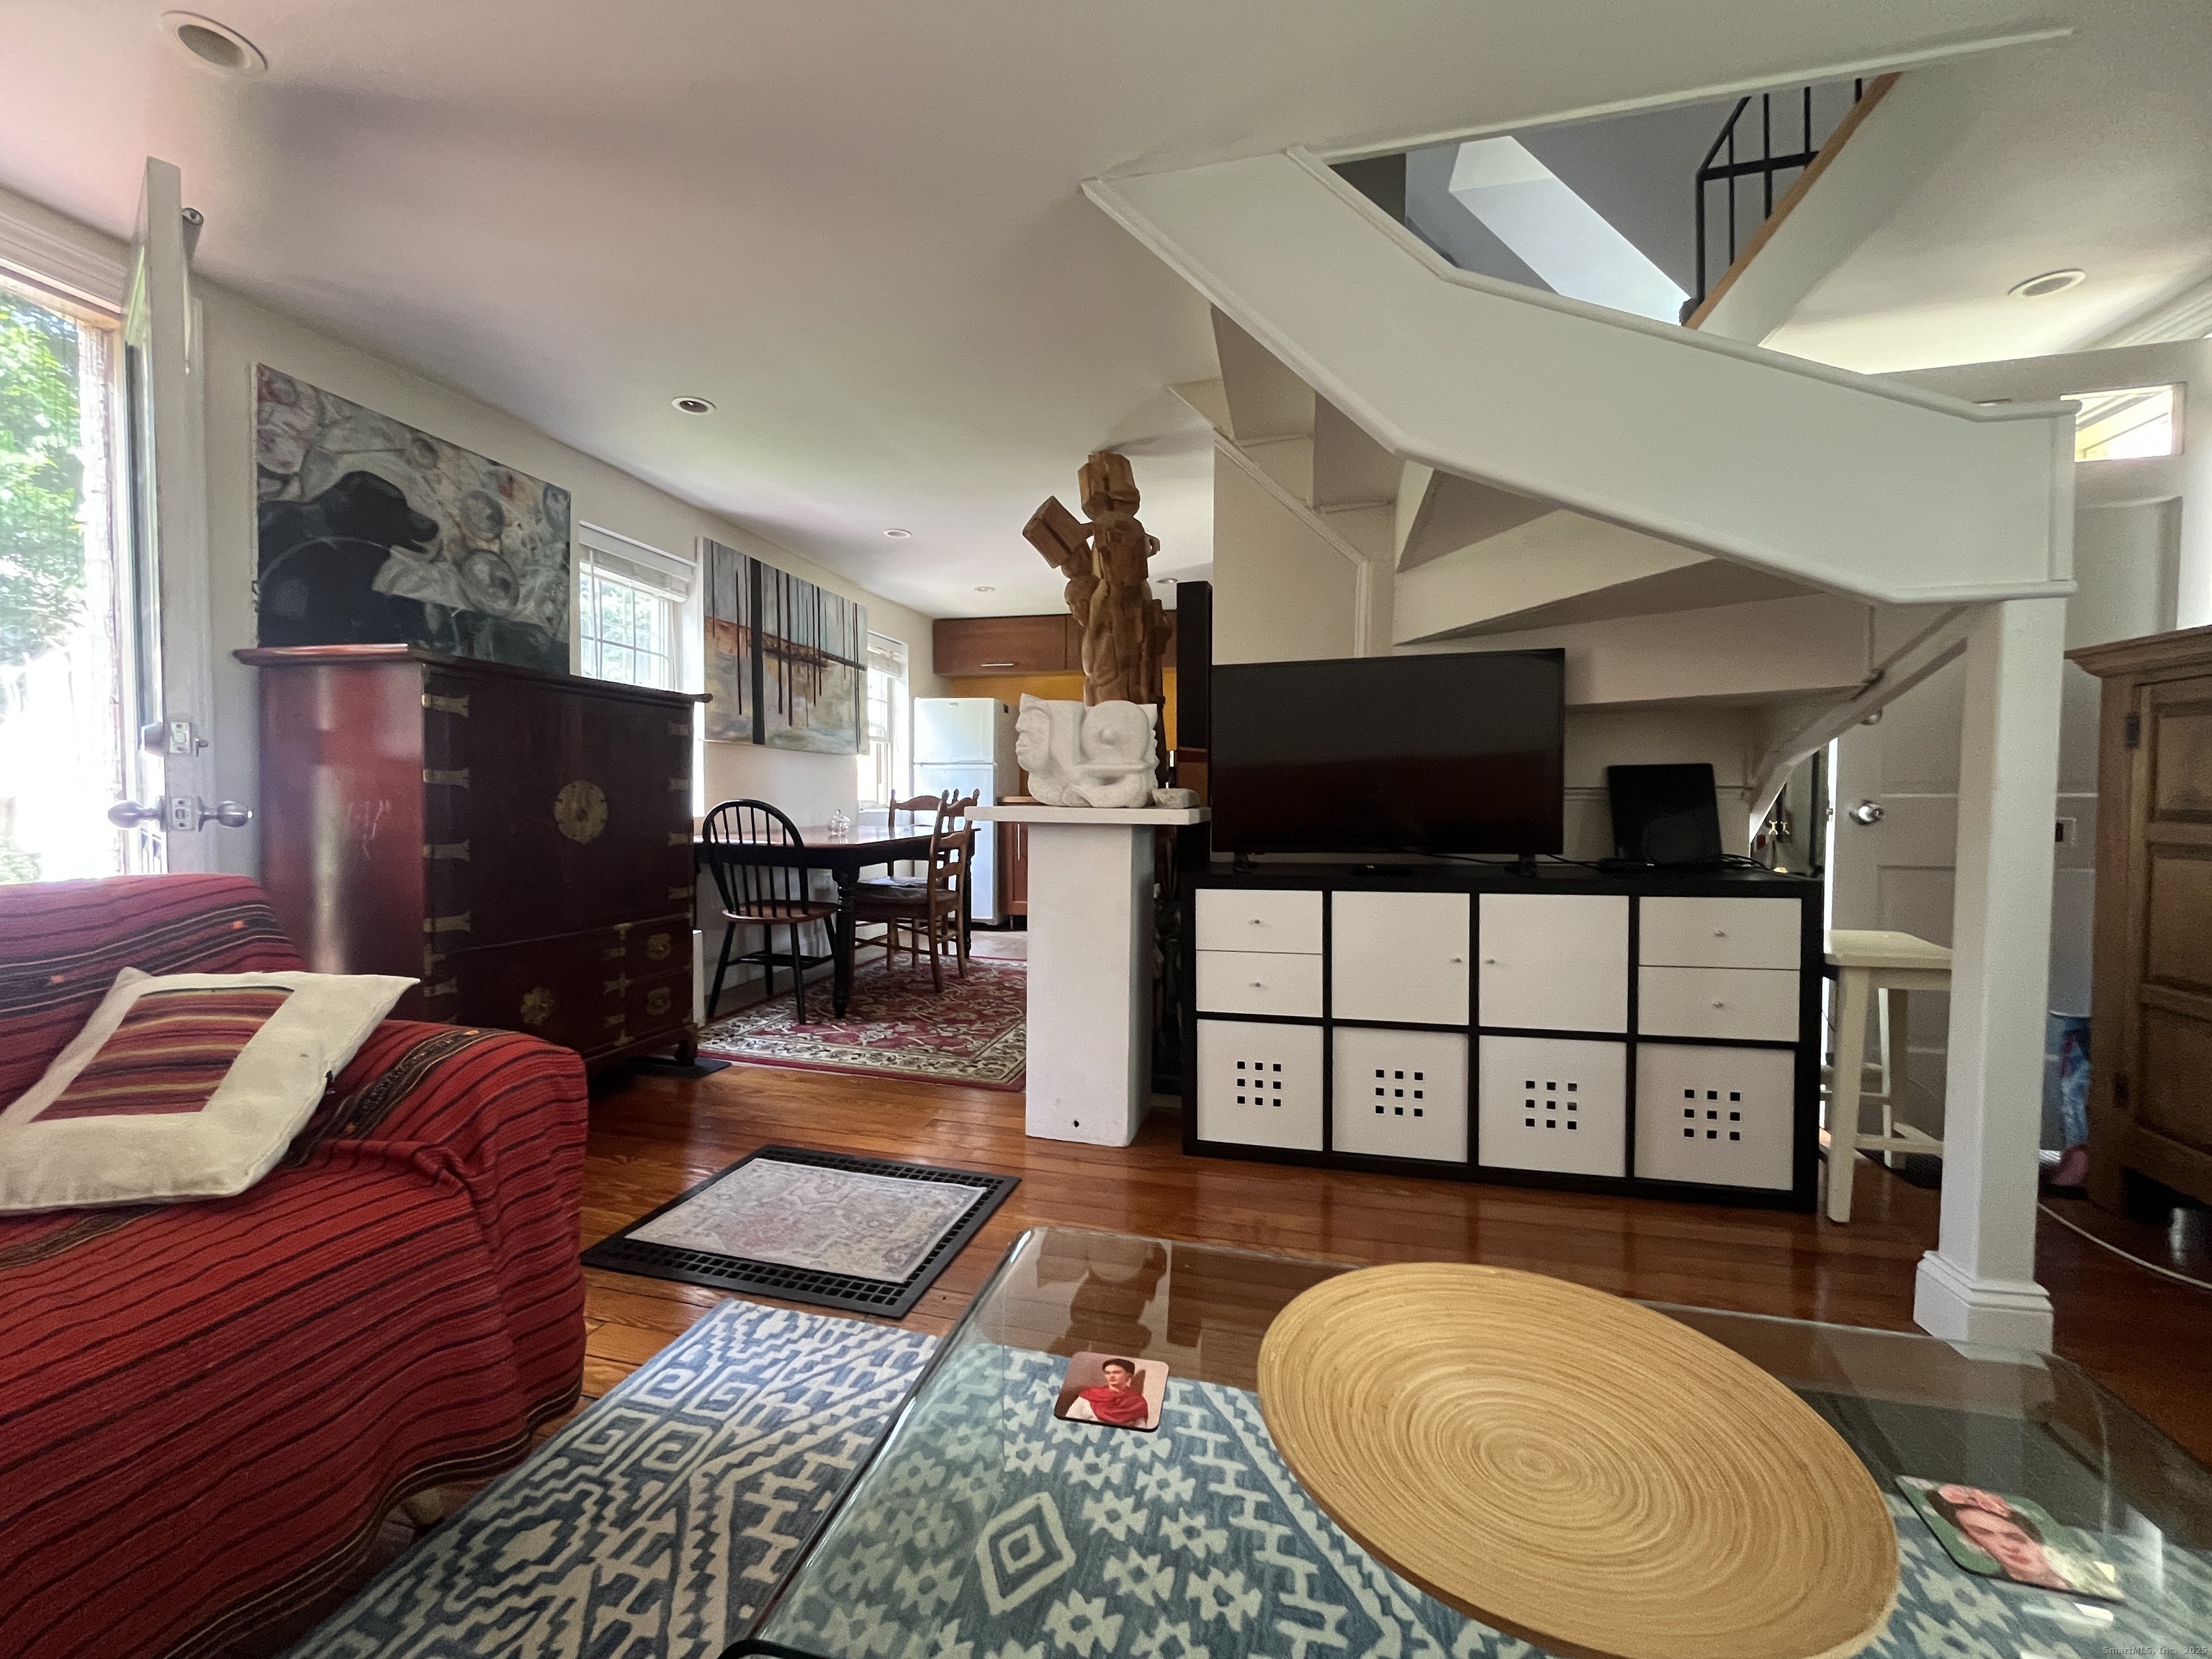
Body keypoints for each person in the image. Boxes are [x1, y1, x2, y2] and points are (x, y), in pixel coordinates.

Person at [1066, 1357, 1151, 1427]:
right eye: (1108, 1373)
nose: (1111, 1376)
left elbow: (1141, 1429)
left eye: (1117, 1372)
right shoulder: (1090, 1395)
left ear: (1129, 1376)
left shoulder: (1137, 1402)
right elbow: (1070, 1419)